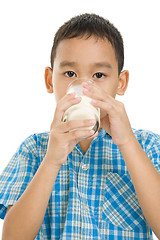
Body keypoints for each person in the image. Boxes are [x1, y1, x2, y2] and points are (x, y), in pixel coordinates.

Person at [0, 13, 160, 240]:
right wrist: (51, 161)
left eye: (99, 75)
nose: (85, 87)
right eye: (70, 74)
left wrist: (127, 143)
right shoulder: (34, 150)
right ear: (49, 80)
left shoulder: (147, 146)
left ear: (121, 82)